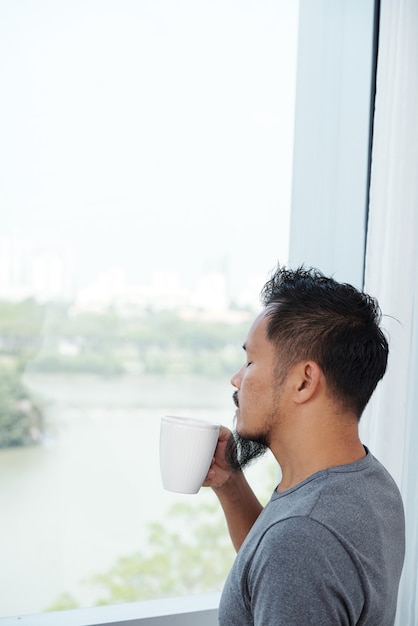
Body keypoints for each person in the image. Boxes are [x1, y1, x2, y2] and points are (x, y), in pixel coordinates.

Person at [203, 265, 405, 626]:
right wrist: (230, 484)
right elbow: (274, 569)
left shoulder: (301, 539)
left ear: (303, 381)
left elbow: (292, 555)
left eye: (250, 361)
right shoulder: (371, 483)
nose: (237, 379)